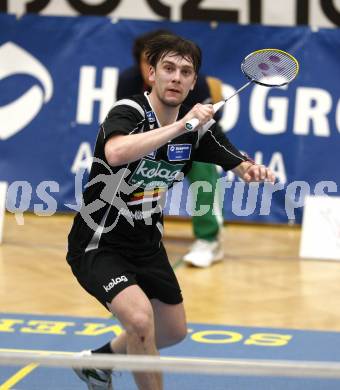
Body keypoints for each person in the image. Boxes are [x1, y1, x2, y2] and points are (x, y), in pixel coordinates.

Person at [67, 33, 275, 390]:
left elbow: (236, 160)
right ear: (152, 74)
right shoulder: (128, 112)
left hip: (147, 245)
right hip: (100, 242)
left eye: (185, 71)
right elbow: (116, 153)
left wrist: (251, 169)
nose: (176, 77)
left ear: (194, 83)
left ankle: (99, 363)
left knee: (173, 330)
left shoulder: (198, 134)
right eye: (168, 68)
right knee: (139, 320)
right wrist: (183, 125)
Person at [117, 29, 225, 268]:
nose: (176, 76)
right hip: (149, 144)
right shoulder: (127, 81)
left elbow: (208, 129)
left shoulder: (192, 80)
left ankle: (209, 240)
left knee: (204, 165)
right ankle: (124, 230)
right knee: (118, 161)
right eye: (148, 61)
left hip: (188, 144)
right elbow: (127, 126)